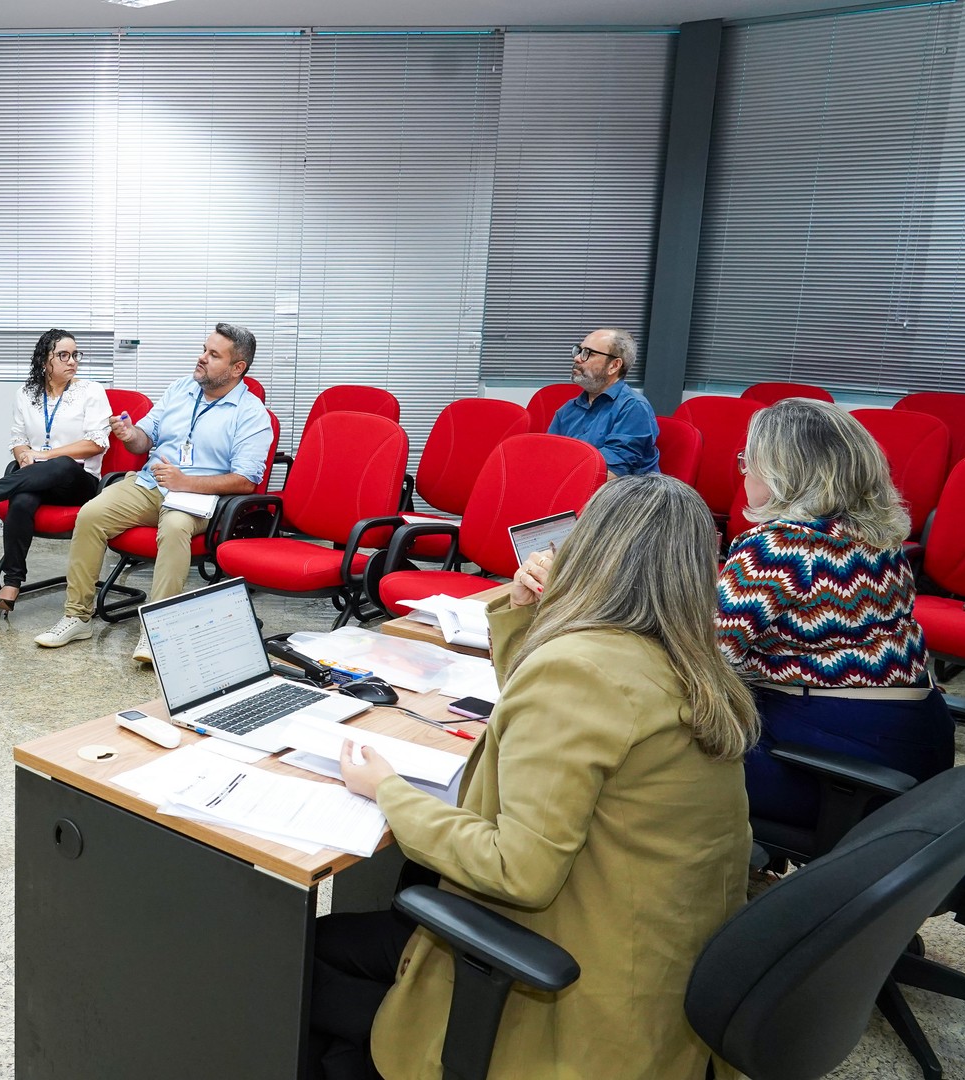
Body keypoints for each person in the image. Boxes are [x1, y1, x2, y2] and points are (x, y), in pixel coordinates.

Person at [317, 474, 758, 1080]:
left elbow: (517, 871)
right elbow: (556, 710)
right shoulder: (686, 657)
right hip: (654, 965)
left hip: (573, 985)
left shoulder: (584, 672)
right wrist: (528, 614)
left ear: (588, 552)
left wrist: (389, 791)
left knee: (295, 963)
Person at [717, 397, 951, 829]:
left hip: (834, 769)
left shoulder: (779, 545)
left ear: (787, 471)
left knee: (651, 756)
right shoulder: (880, 538)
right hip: (916, 749)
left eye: (749, 460)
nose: (744, 471)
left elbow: (705, 657)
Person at [33, 323, 273, 664]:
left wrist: (184, 481)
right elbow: (144, 439)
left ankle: (157, 631)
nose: (202, 358)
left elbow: (246, 481)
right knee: (90, 515)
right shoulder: (180, 389)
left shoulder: (251, 414)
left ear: (238, 368)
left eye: (213, 354)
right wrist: (130, 434)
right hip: (150, 484)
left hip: (197, 498)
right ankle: (77, 617)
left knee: (174, 528)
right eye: (204, 348)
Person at [0, 329, 111, 611]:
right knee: (22, 500)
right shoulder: (26, 394)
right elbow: (18, 438)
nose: (72, 361)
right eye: (63, 355)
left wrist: (45, 454)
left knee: (61, 464)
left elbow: (97, 443)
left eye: (75, 355)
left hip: (79, 482)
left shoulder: (91, 391)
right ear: (44, 361)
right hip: (37, 477)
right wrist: (24, 455)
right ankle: (12, 582)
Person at [547, 328, 659, 476]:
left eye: (589, 353)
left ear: (614, 366)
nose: (577, 358)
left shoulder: (634, 407)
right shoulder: (568, 409)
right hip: (574, 487)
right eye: (579, 351)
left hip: (620, 496)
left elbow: (611, 473)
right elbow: (548, 458)